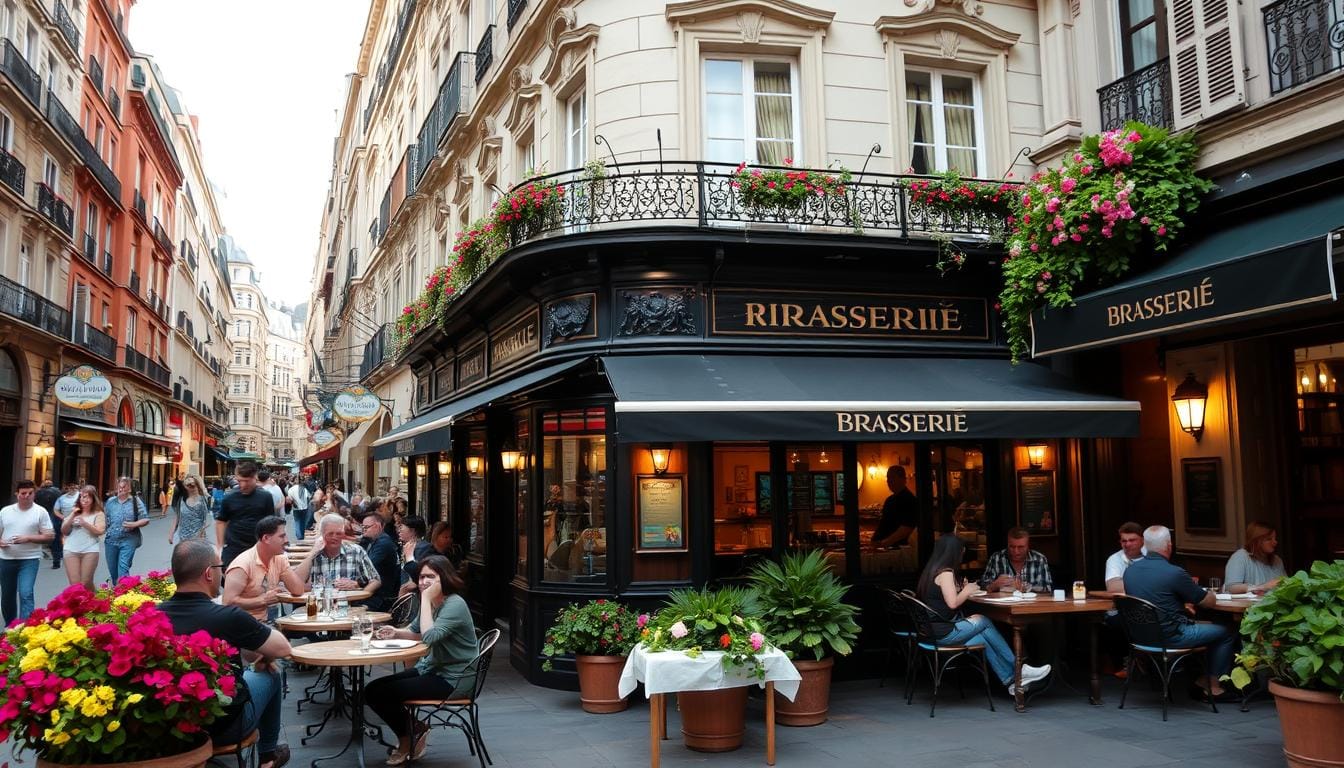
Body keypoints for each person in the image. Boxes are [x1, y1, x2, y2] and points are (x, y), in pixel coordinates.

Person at [159, 540, 292, 768]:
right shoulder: (226, 616)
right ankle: (268, 757)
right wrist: (261, 647)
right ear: (209, 574)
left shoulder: (151, 616)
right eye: (220, 569)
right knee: (269, 674)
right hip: (224, 726)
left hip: (167, 726)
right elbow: (283, 649)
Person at [365, 555, 478, 766]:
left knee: (384, 693)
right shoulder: (434, 602)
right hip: (433, 668)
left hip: (454, 678)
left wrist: (425, 599)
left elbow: (429, 636)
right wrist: (396, 632)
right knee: (372, 690)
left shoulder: (454, 604)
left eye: (430, 577)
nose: (424, 582)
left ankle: (407, 739)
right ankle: (416, 728)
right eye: (421, 577)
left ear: (444, 578)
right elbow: (416, 630)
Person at [917, 535, 1051, 693]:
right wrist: (967, 590)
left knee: (982, 638)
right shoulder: (946, 573)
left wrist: (961, 589)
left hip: (932, 631)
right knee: (983, 620)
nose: (962, 555)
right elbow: (952, 603)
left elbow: (943, 599)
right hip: (943, 633)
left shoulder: (932, 570)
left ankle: (1010, 681)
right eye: (961, 551)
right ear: (954, 552)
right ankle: (1019, 668)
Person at [1123, 525, 1237, 700]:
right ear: (1169, 545)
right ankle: (1212, 685)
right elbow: (1207, 602)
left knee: (1206, 626)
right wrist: (1211, 593)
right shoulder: (1174, 573)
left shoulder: (1130, 571)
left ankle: (1199, 679)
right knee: (1226, 631)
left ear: (1145, 544)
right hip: (1173, 636)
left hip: (1140, 638)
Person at [224, 516, 307, 622]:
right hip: (244, 625)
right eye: (282, 536)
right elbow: (228, 602)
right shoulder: (242, 565)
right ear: (266, 538)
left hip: (271, 622)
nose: (287, 540)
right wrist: (263, 600)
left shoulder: (279, 558)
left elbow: (298, 590)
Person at [0, 480, 56, 624]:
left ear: (34, 494)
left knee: (26, 593)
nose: (26, 496)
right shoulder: (5, 511)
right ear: (17, 494)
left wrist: (28, 538)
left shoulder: (40, 512)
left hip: (29, 559)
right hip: (6, 558)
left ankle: (25, 629)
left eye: (30, 493)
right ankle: (11, 626)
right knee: (7, 595)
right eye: (23, 493)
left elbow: (49, 535)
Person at [293, 513, 380, 594]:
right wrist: (312, 554)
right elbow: (294, 582)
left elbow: (376, 580)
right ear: (322, 534)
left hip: (350, 605)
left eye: (338, 534)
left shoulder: (356, 551)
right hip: (321, 606)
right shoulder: (315, 555)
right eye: (330, 534)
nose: (334, 537)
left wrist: (361, 595)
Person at [216, 463, 277, 569]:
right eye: (240, 481)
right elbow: (221, 521)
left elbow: (271, 523)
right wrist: (220, 547)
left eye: (247, 481)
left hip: (257, 548)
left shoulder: (265, 497)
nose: (243, 485)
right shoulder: (229, 497)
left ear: (255, 478)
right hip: (233, 549)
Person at [979, 527, 1054, 593]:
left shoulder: (1039, 559)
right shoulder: (997, 558)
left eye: (1020, 547)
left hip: (1031, 606)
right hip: (1004, 606)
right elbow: (981, 585)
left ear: (1028, 546)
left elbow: (1047, 588)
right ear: (1007, 544)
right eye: (1012, 546)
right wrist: (993, 585)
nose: (1016, 551)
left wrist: (1022, 587)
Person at [103, 477, 149, 583]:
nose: (121, 489)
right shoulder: (110, 502)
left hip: (129, 539)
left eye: (124, 486)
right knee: (113, 572)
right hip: (111, 540)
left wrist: (134, 524)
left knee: (123, 570)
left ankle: (124, 593)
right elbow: (106, 520)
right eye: (119, 486)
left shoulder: (135, 501)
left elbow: (145, 519)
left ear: (129, 488)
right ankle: (117, 593)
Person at [61, 485, 107, 590]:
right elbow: (64, 530)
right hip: (71, 549)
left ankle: (94, 601)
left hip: (90, 549)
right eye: (82, 497)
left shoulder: (98, 514)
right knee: (75, 584)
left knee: (86, 582)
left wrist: (84, 523)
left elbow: (100, 531)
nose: (84, 499)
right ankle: (80, 605)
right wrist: (73, 515)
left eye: (87, 497)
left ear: (93, 499)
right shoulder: (75, 512)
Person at [1224, 521, 1286, 595]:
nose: (1275, 542)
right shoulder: (1240, 557)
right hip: (1245, 605)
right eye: (1269, 539)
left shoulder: (1277, 560)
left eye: (1275, 538)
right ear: (1256, 541)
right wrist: (1262, 587)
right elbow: (1231, 587)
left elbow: (1286, 586)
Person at [358, 510, 401, 611]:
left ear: (377, 526)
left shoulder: (384, 543)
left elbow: (367, 567)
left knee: (349, 608)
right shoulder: (375, 541)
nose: (363, 531)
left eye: (366, 527)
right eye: (362, 527)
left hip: (380, 598)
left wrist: (356, 583)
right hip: (374, 592)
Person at [872, 465, 918, 549]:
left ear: (903, 479)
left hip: (897, 549)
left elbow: (907, 527)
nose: (888, 481)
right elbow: (884, 524)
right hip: (883, 547)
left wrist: (886, 542)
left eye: (892, 477)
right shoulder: (889, 500)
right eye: (888, 478)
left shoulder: (910, 500)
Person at [1104, 522, 1147, 592]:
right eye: (1124, 541)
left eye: (1132, 540)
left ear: (1143, 540)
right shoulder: (1115, 559)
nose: (1128, 544)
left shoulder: (1152, 555)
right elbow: (1113, 588)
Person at [169, 475, 211, 545]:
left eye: (193, 486)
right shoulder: (182, 500)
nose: (191, 488)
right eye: (188, 486)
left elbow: (206, 519)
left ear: (198, 486)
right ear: (185, 487)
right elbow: (177, 517)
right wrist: (171, 533)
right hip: (182, 538)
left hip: (197, 539)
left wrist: (202, 533)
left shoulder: (202, 500)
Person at [398, 516, 434, 590]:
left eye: (401, 528)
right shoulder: (407, 546)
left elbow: (421, 572)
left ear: (412, 531)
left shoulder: (423, 548)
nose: (399, 531)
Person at [34, 479, 63, 569]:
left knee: (37, 536)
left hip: (42, 516)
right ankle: (57, 560)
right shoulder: (58, 492)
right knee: (56, 539)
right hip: (55, 517)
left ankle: (36, 556)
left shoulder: (39, 493)